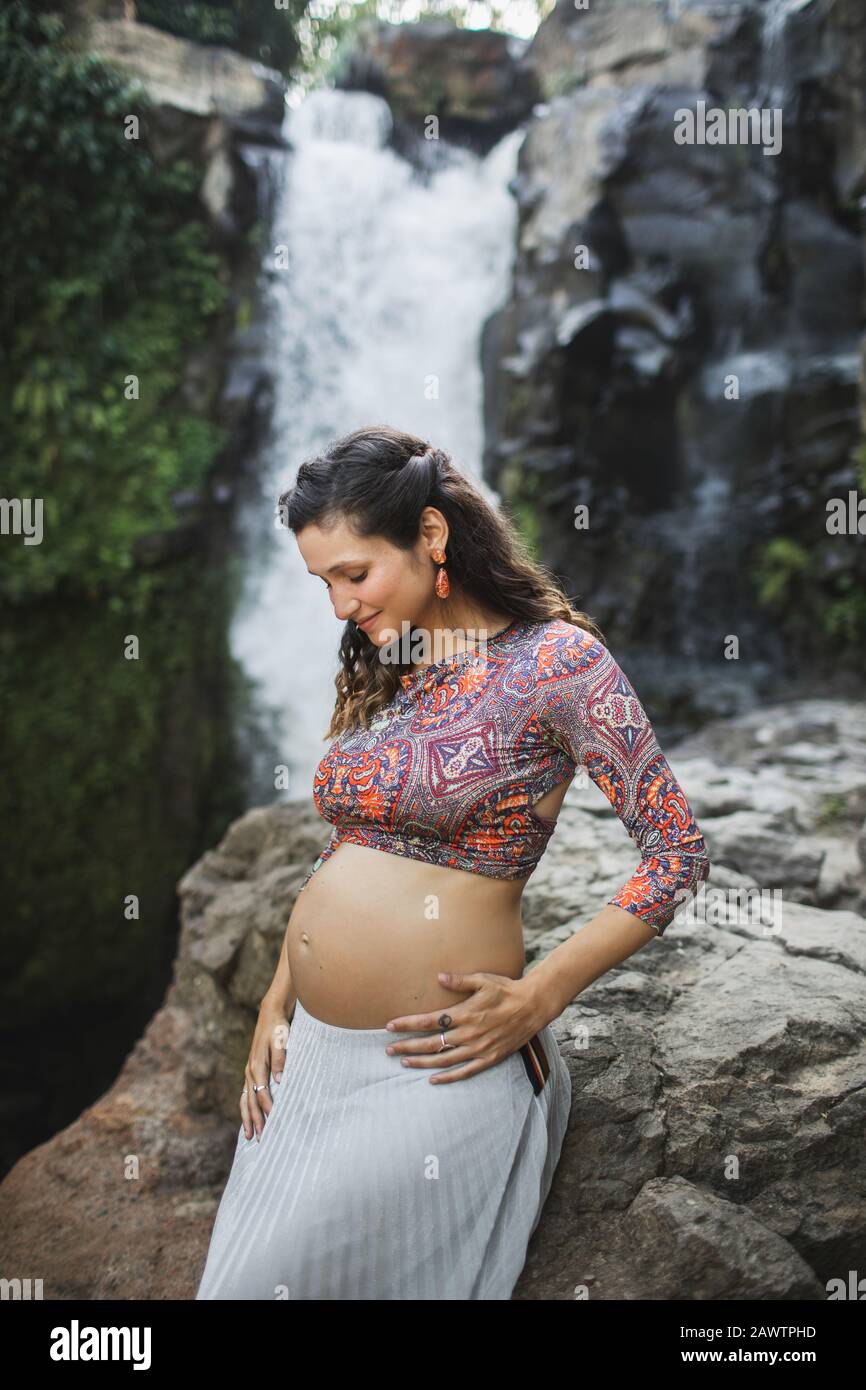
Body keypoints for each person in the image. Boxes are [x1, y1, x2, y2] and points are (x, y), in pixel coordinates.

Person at [195, 424, 711, 1300]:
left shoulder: (559, 663)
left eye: (354, 575)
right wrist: (278, 1002)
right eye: (323, 583)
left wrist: (539, 996)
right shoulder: (392, 658)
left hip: (435, 1066)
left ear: (430, 536)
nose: (339, 607)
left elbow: (676, 853)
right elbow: (349, 840)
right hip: (311, 1061)